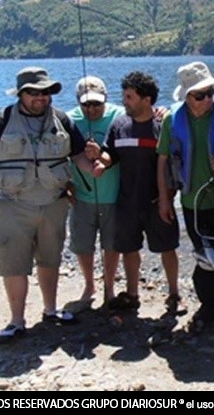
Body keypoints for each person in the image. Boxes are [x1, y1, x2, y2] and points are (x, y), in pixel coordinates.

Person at [0, 67, 104, 339]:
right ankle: (17, 321)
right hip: (14, 204)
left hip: (54, 203)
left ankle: (50, 311)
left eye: (45, 92)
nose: (40, 98)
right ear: (21, 95)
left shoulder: (62, 119)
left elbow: (78, 157)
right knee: (13, 263)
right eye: (33, 93)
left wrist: (93, 167)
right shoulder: (1, 121)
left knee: (50, 259)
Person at [157, 62, 214, 332]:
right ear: (186, 96)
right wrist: (164, 199)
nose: (207, 99)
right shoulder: (171, 120)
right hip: (192, 201)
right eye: (200, 95)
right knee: (204, 258)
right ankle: (210, 306)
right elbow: (162, 162)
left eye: (209, 92)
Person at [98, 71, 183, 316]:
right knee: (129, 248)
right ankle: (132, 294)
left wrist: (168, 196)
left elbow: (175, 162)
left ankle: (174, 293)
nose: (124, 101)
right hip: (127, 202)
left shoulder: (163, 125)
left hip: (159, 201)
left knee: (168, 247)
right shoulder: (119, 125)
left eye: (129, 97)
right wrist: (99, 160)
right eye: (124, 96)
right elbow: (109, 155)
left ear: (147, 100)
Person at [66, 76, 125, 307]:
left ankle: (109, 287)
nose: (91, 109)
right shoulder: (68, 120)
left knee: (111, 244)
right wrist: (65, 185)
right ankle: (89, 284)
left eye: (97, 104)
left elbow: (146, 113)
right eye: (86, 104)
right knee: (82, 244)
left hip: (113, 195)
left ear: (106, 100)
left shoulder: (119, 116)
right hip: (81, 196)